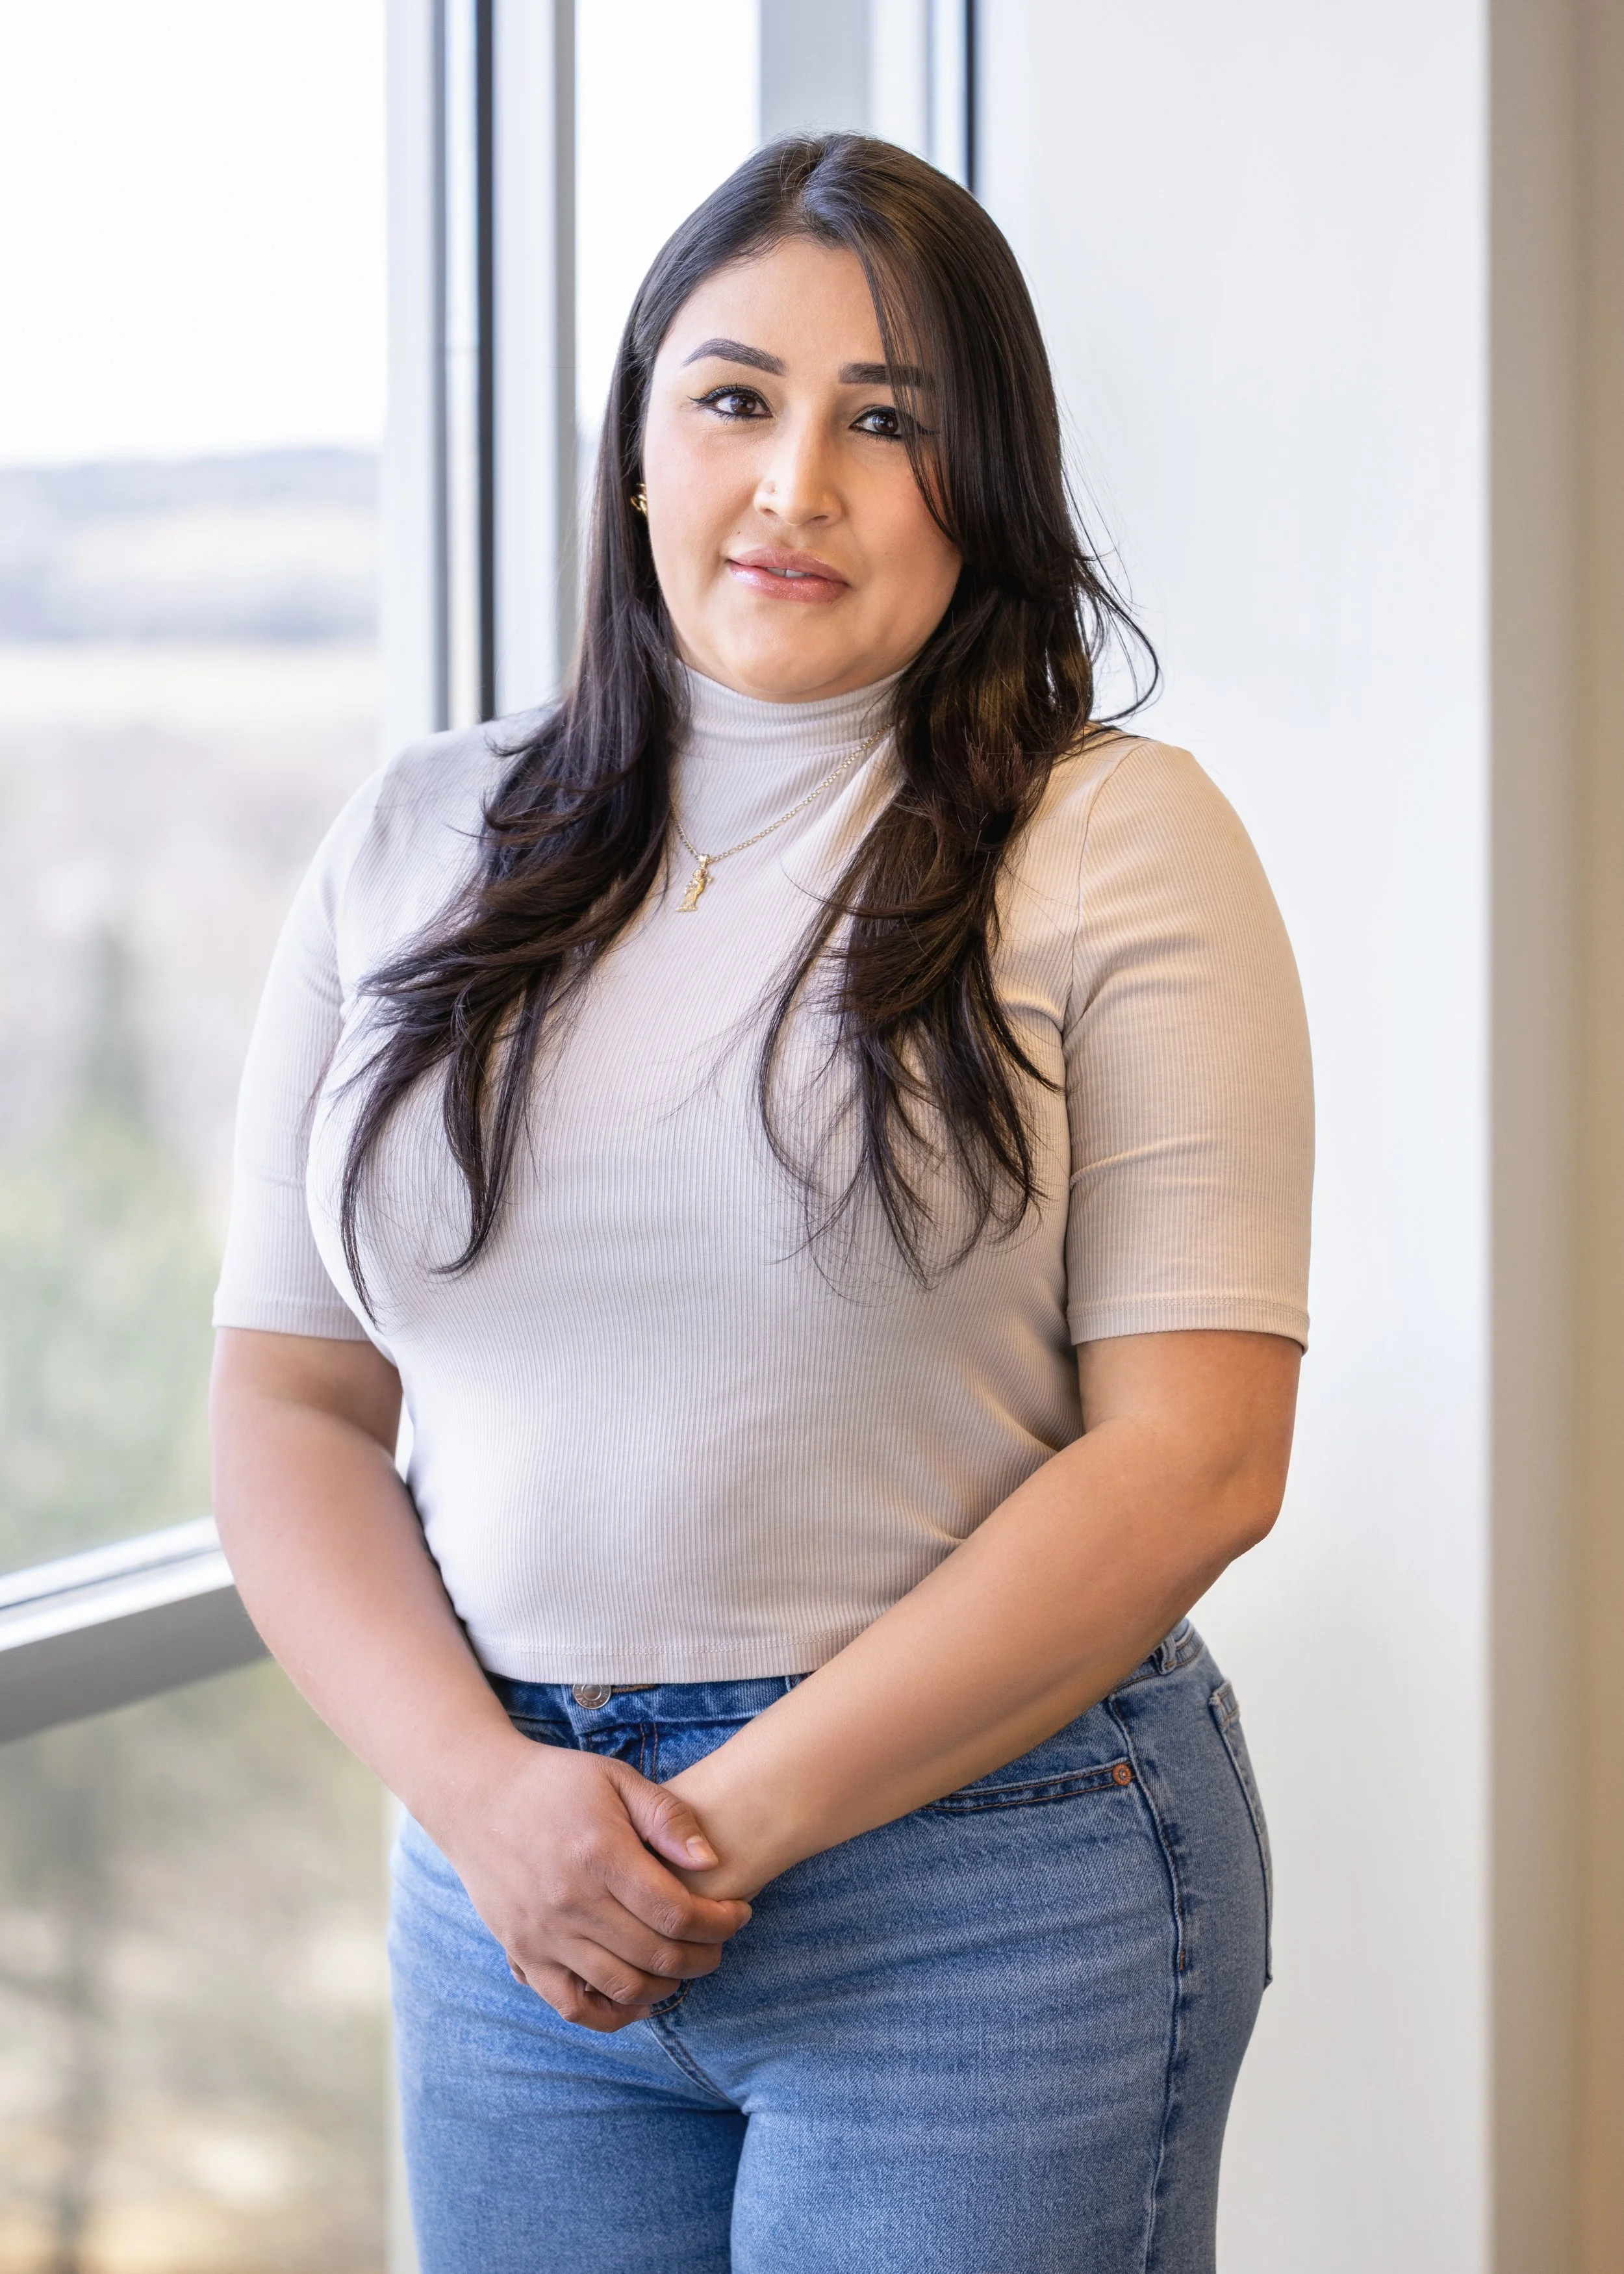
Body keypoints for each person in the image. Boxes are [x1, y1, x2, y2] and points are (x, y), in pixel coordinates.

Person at [210, 133, 1312, 2274]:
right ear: (638, 445)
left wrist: (697, 1842)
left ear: (977, 488)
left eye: (884, 422)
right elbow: (289, 1413)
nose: (794, 482)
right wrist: (497, 1808)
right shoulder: (416, 834)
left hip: (982, 1890)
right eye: (735, 399)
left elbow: (1195, 1455)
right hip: (506, 1889)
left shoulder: (1114, 842)